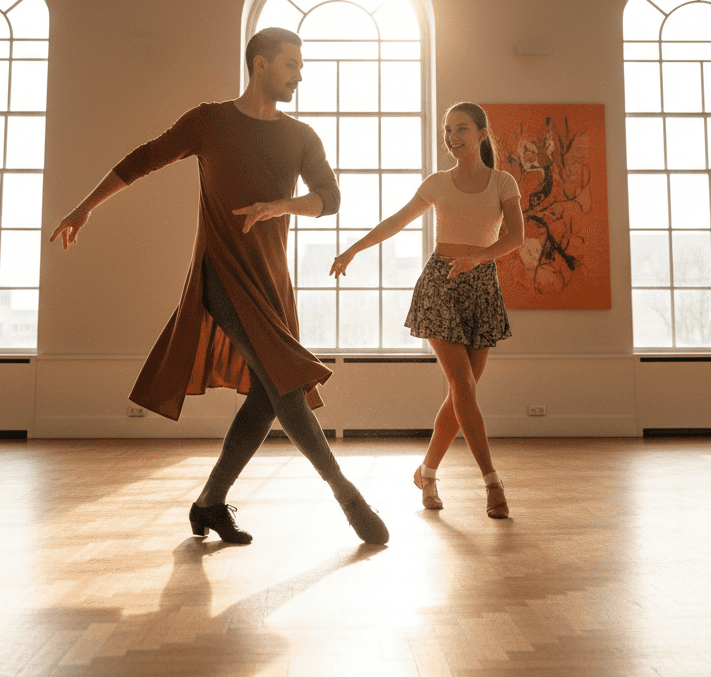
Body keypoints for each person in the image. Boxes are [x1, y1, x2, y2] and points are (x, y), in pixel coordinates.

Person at [50, 27, 388, 546]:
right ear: (260, 64)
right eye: (292, 65)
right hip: (223, 274)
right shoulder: (210, 121)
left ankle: (209, 502)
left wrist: (280, 206)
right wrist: (84, 208)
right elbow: (144, 158)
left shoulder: (301, 136)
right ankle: (347, 495)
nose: (300, 76)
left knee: (267, 398)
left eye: (301, 67)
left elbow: (330, 197)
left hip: (272, 281)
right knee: (284, 386)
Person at [330, 103, 523, 518]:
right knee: (463, 386)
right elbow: (396, 222)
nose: (453, 137)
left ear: (482, 133)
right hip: (441, 285)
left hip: (482, 288)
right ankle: (493, 482)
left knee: (462, 393)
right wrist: (352, 249)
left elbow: (516, 237)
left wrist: (479, 258)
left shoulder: (502, 182)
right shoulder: (437, 183)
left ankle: (427, 473)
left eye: (462, 129)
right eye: (448, 130)